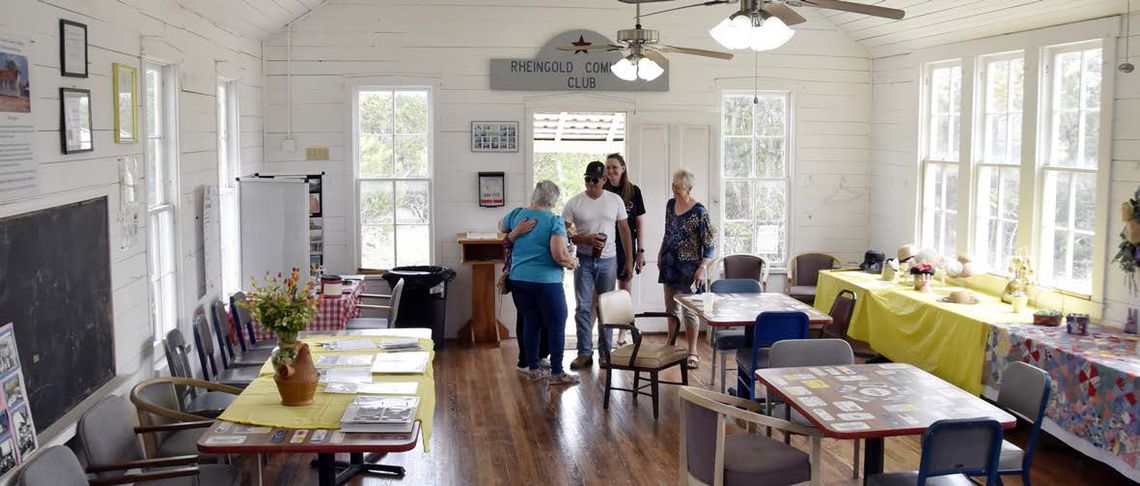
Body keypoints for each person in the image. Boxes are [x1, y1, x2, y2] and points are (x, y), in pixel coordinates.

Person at [499, 181, 580, 385]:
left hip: (518, 279)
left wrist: (516, 230)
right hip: (546, 282)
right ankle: (557, 373)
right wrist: (572, 262)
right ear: (553, 201)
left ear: (534, 196)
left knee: (531, 322)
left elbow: (500, 226)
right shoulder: (554, 221)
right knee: (556, 323)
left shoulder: (518, 214)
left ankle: (533, 368)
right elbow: (559, 255)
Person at [562, 161, 633, 370]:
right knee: (583, 307)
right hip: (583, 261)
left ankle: (604, 354)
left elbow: (624, 231)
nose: (591, 184)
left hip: (609, 260)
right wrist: (585, 239)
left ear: (604, 180)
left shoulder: (615, 200)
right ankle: (584, 353)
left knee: (606, 307)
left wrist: (628, 260)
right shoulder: (574, 203)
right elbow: (563, 232)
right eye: (587, 179)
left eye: (595, 180)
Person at [659, 169, 715, 370]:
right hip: (670, 265)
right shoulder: (670, 205)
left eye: (679, 187)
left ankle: (692, 352)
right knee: (670, 309)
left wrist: (702, 268)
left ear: (689, 189)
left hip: (690, 269)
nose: (674, 190)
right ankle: (671, 345)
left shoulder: (700, 212)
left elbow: (709, 245)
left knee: (690, 311)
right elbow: (667, 232)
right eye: (673, 186)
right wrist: (660, 254)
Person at [603, 153, 646, 346]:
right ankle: (605, 337)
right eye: (608, 167)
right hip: (606, 245)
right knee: (604, 291)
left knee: (624, 290)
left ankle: (622, 335)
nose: (610, 171)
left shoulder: (633, 191)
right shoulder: (601, 189)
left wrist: (640, 250)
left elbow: (639, 221)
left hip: (627, 246)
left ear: (623, 168)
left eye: (614, 167)